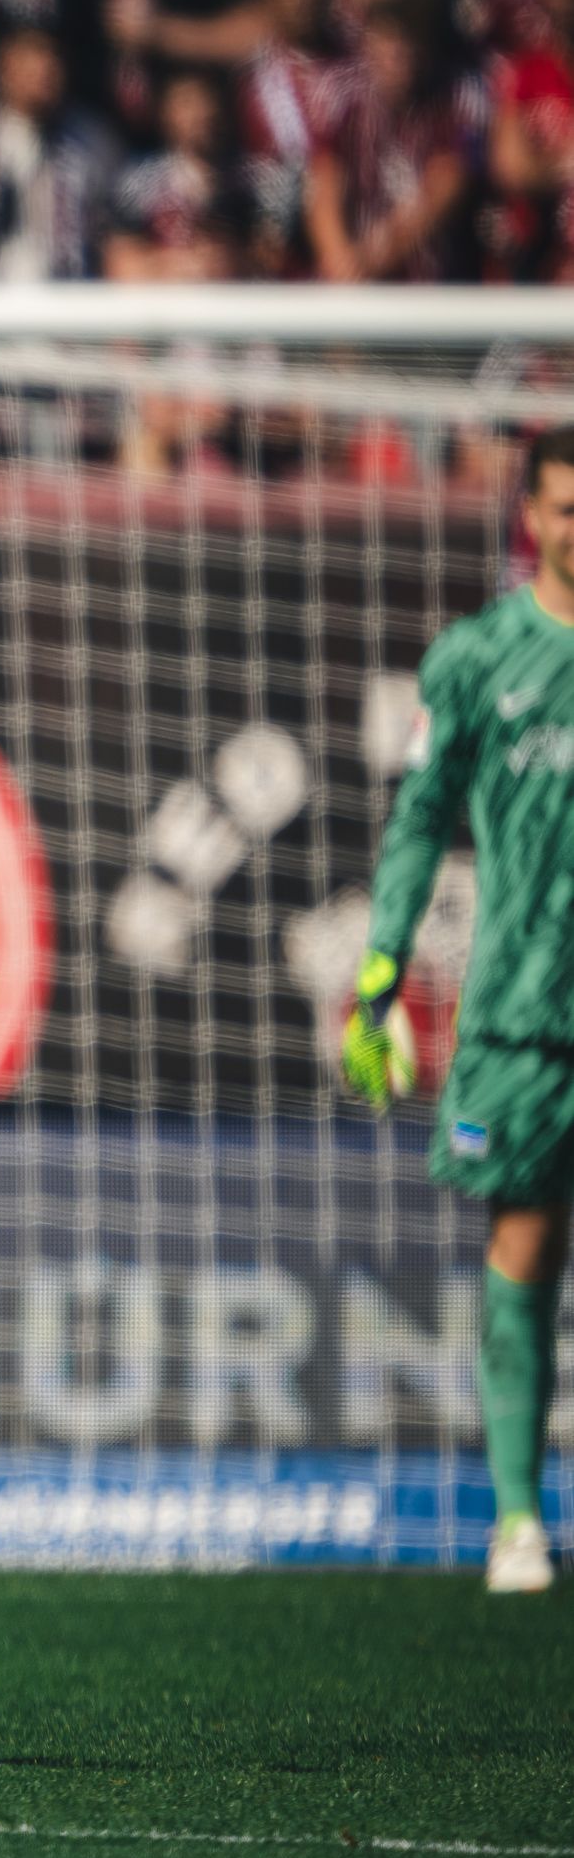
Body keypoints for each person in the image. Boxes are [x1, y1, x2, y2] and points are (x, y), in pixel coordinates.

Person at [344, 420, 574, 1596]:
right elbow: (418, 821)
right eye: (563, 506)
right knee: (520, 1251)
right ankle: (517, 1522)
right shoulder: (478, 658)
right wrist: (380, 971)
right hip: (522, 1016)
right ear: (529, 517)